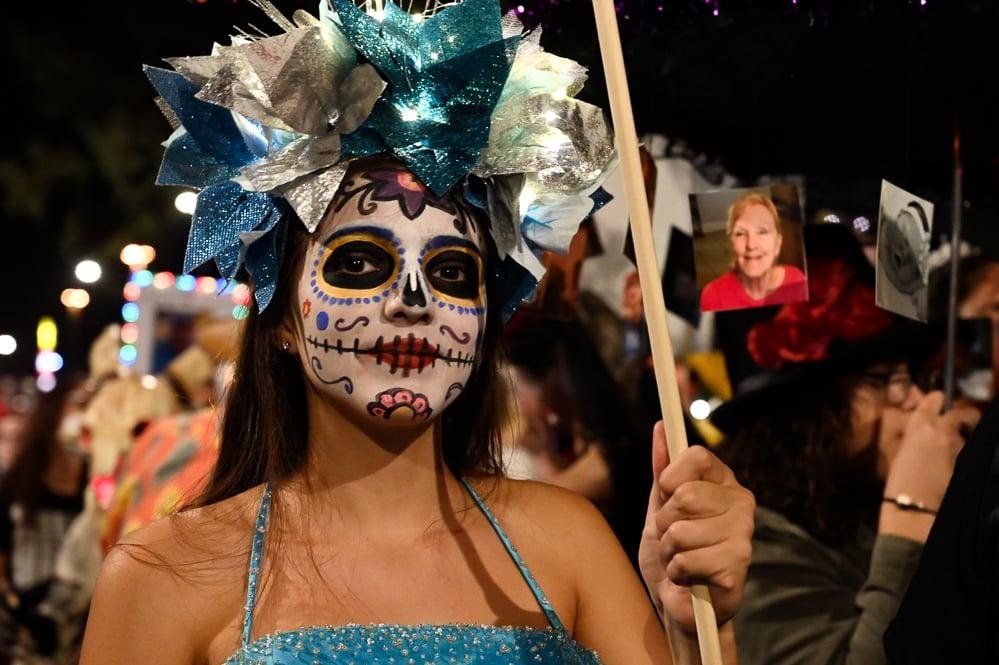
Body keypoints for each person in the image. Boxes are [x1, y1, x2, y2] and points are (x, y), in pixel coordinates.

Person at [79, 2, 756, 663]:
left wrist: (699, 630)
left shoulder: (569, 539)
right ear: (280, 318)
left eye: (454, 273)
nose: (414, 301)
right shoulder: (164, 575)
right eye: (359, 263)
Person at [711, 230, 981, 664]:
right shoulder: (753, 545)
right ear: (813, 410)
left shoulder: (849, 501)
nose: (915, 400)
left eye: (910, 377)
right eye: (886, 381)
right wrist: (910, 511)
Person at [0, 377, 89, 658]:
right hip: (24, 625)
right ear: (53, 411)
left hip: (75, 625)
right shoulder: (18, 484)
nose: (85, 412)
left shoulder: (97, 484)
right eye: (76, 402)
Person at [700, 192, 807, 312]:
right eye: (740, 233)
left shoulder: (797, 281)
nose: (751, 245)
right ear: (731, 244)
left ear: (777, 243)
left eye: (762, 232)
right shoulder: (713, 297)